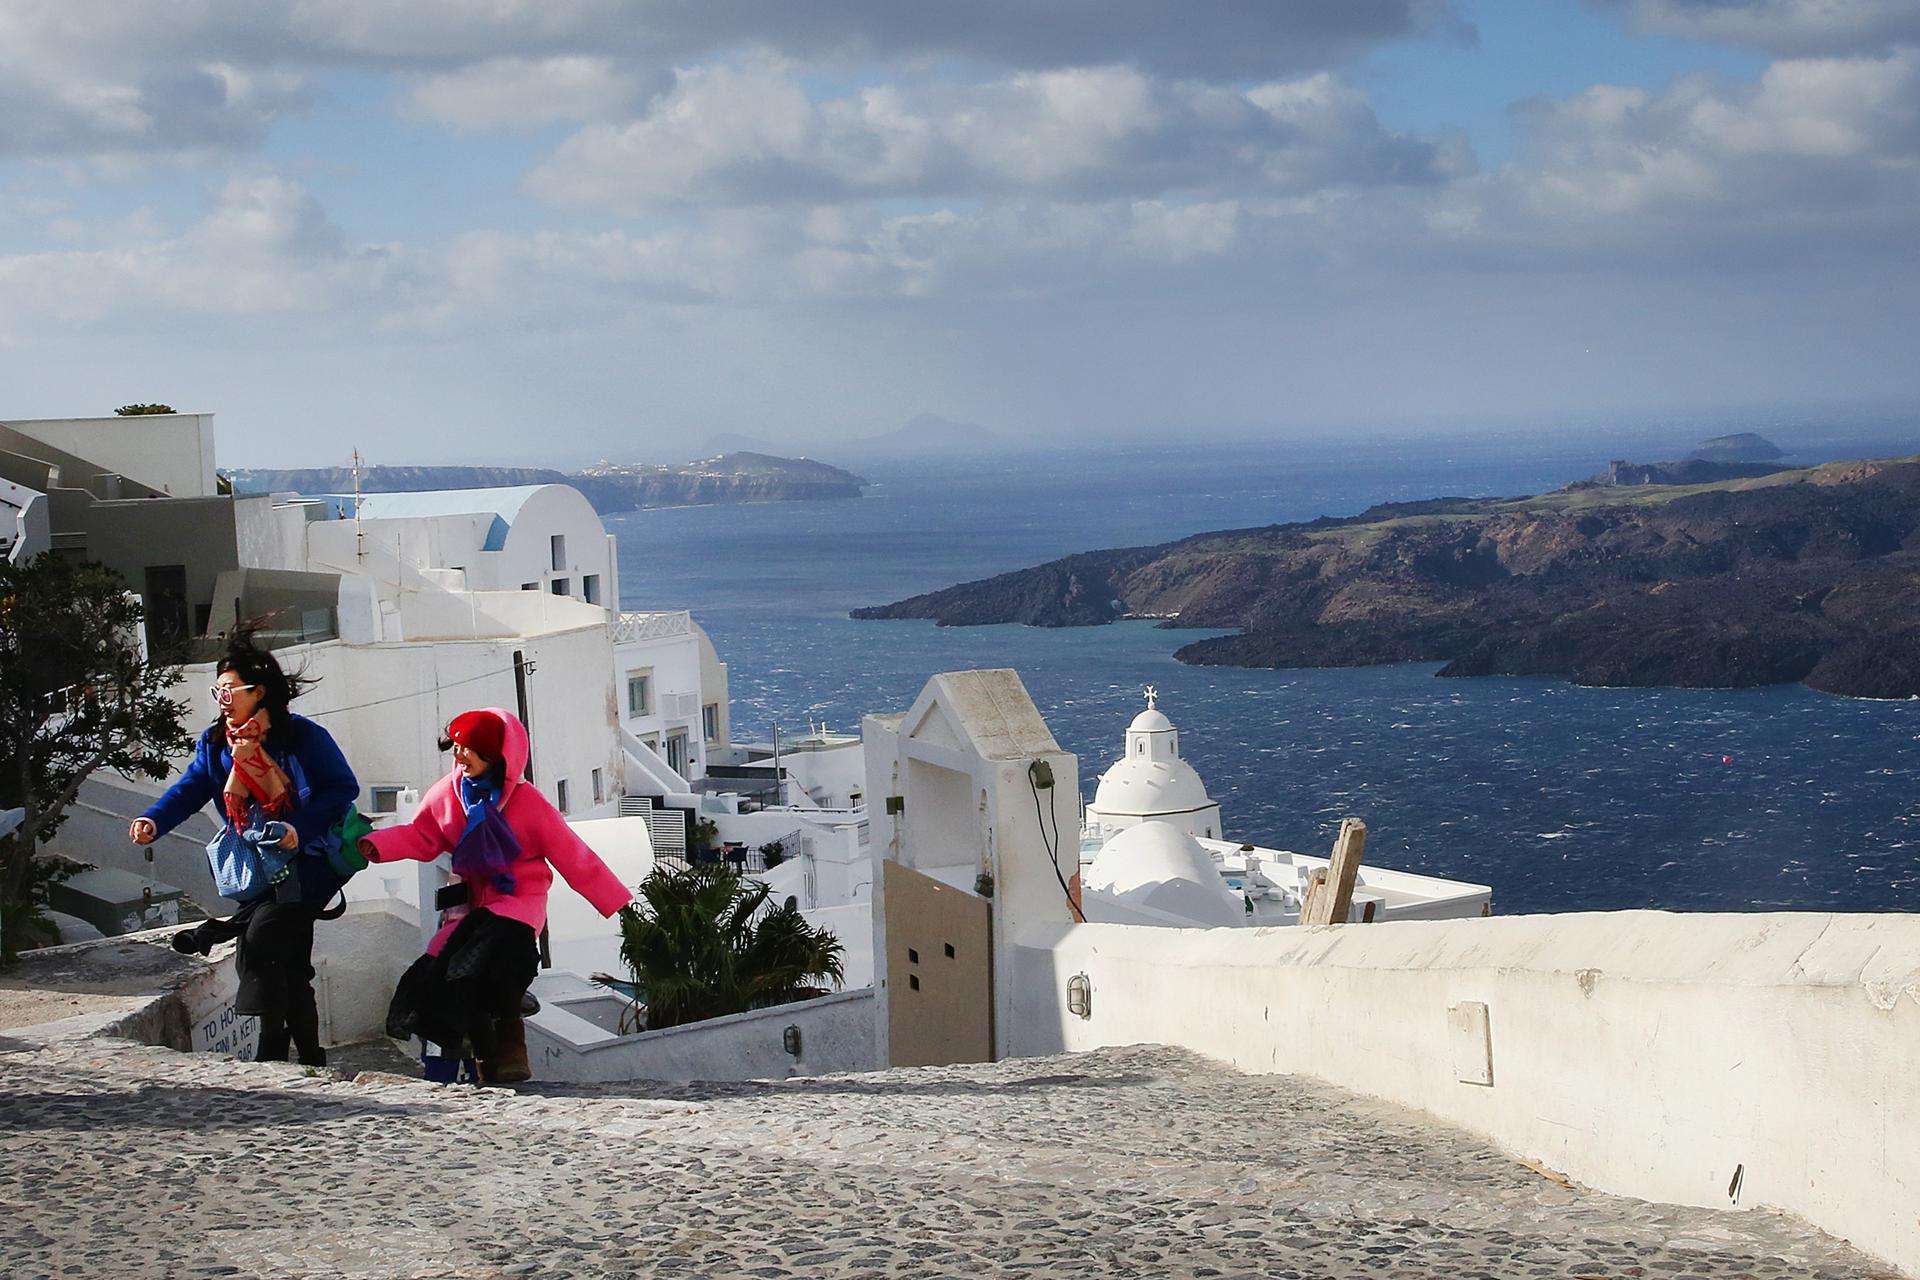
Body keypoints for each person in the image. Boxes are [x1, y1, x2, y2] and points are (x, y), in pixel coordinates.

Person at [361, 707, 631, 1083]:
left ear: (496, 755)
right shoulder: (449, 795)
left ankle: (508, 1040)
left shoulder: (528, 803)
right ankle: (461, 1066)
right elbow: (422, 835)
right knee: (440, 976)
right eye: (456, 748)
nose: (459, 757)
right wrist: (376, 844)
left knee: (491, 954)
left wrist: (617, 902)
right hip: (472, 906)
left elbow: (573, 855)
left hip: (519, 902)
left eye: (469, 749)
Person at [131, 631, 357, 1066]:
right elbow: (191, 788)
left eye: (231, 689)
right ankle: (309, 1054)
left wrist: (299, 828)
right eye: (219, 689)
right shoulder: (216, 744)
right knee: (290, 961)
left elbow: (341, 788)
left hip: (309, 861)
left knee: (262, 935)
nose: (223, 698)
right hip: (258, 863)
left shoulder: (302, 737)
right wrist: (154, 820)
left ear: (260, 693)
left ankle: (272, 1045)